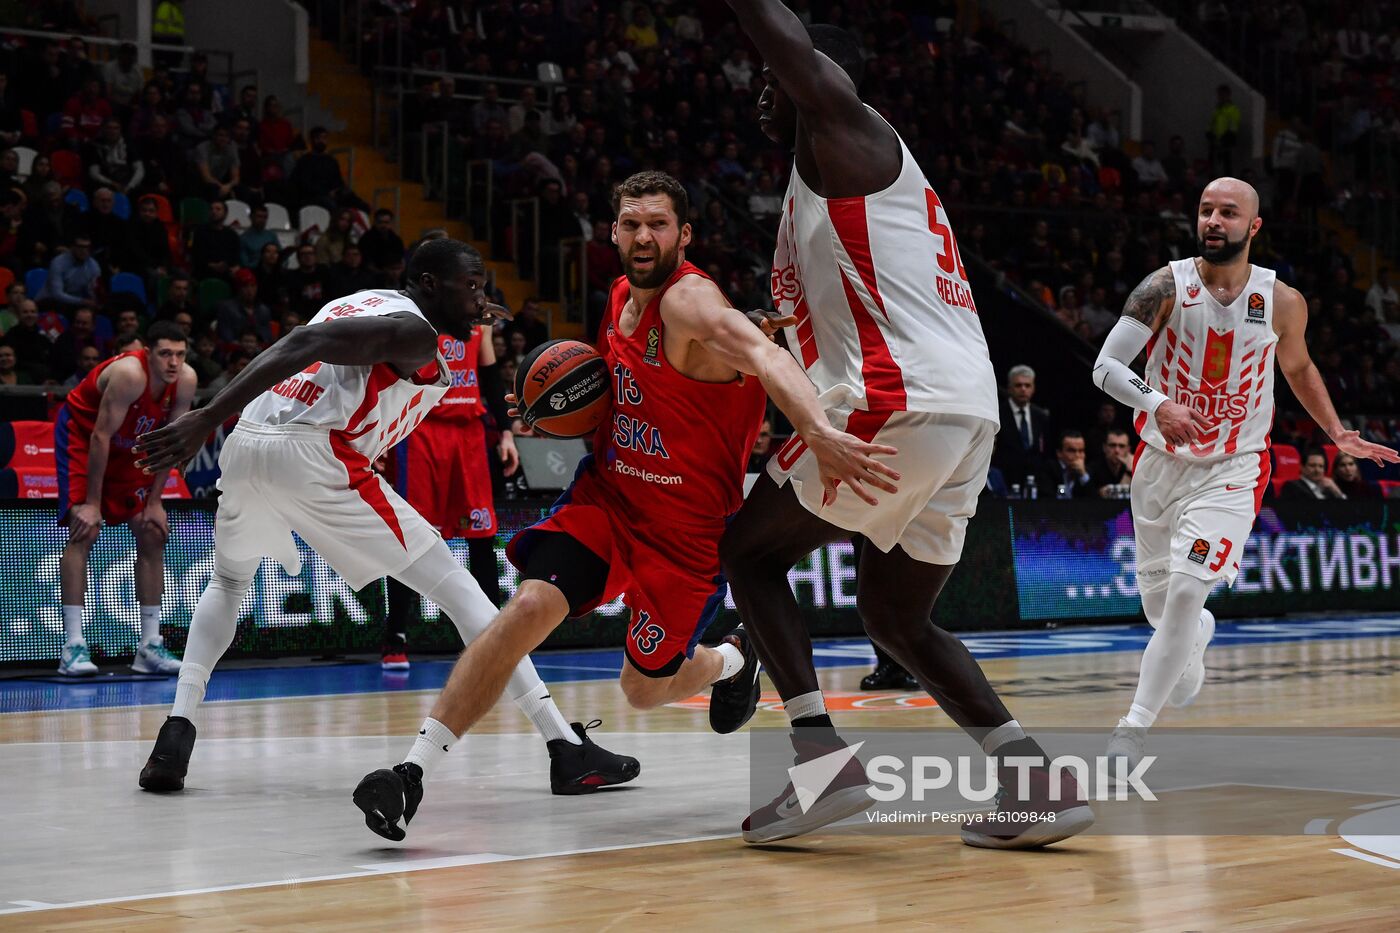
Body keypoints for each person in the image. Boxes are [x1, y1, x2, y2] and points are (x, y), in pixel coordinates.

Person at [349, 170, 889, 842]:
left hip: (685, 539)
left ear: (683, 234)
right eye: (631, 223)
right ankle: (412, 773)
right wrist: (562, 412)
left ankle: (731, 661)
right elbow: (615, 390)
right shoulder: (618, 298)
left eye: (658, 224)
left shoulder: (690, 302)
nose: (642, 236)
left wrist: (816, 430)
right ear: (612, 230)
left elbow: (758, 351)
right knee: (526, 608)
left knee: (642, 688)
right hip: (607, 500)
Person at [714, 8, 1093, 850]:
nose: (759, 98)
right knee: (896, 620)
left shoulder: (842, 130)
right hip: (965, 413)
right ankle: (1033, 779)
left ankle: (821, 763)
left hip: (899, 397)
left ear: (814, 77)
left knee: (749, 552)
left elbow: (791, 50)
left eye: (771, 82)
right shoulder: (836, 185)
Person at [131, 238, 634, 797]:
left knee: (229, 580)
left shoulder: (367, 302)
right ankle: (563, 747)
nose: (481, 301)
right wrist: (205, 415)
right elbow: (305, 341)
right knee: (469, 602)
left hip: (252, 443)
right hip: (316, 454)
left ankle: (176, 731)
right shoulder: (413, 331)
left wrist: (465, 312)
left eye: (483, 289)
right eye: (470, 287)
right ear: (426, 285)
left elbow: (324, 340)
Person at [1091, 177, 1399, 773]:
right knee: (1164, 614)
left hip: (1234, 466)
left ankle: (1131, 731)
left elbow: (1301, 367)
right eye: (1206, 210)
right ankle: (1195, 638)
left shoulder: (1282, 301)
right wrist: (1158, 404)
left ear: (1253, 227)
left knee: (1185, 592)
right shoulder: (1163, 286)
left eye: (1228, 213)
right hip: (1157, 466)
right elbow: (1105, 367)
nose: (1213, 220)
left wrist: (1337, 433)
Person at [53, 321, 197, 676]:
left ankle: (149, 646)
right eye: (165, 353)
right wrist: (90, 502)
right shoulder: (129, 374)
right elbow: (100, 436)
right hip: (84, 435)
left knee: (151, 530)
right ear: (147, 353)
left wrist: (155, 501)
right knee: (84, 529)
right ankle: (72, 646)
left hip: (128, 443)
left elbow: (170, 442)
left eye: (179, 354)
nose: (173, 362)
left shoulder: (187, 380)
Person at [380, 314, 518, 670]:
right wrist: (379, 435)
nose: (475, 291)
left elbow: (489, 378)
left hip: (469, 434)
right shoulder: (414, 316)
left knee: (482, 534)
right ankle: (395, 633)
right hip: (421, 432)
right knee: (411, 536)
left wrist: (505, 432)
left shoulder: (479, 322)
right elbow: (388, 379)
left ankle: (491, 635)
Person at [993, 364, 1051, 490]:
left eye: (1027, 385)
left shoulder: (1041, 416)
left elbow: (1045, 452)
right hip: (1005, 483)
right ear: (1009, 388)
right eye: (1018, 385)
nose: (1023, 389)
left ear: (1033, 388)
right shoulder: (997, 414)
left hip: (1034, 484)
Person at [1280, 449, 1347, 500]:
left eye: (1321, 466)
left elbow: (1346, 510)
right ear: (1302, 467)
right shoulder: (1292, 486)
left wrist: (1337, 491)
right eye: (1312, 465)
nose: (1317, 470)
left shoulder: (1328, 488)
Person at [1089, 428, 1134, 496]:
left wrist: (1129, 471)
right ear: (1104, 447)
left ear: (1128, 449)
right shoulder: (1093, 469)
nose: (1116, 450)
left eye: (1121, 446)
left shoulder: (1133, 468)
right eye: (1112, 445)